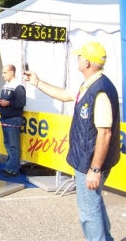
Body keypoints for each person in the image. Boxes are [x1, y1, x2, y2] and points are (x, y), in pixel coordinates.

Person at [24, 41, 120, 241]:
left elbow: (105, 134)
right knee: (94, 205)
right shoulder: (91, 84)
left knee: (88, 211)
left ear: (87, 62)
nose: (77, 58)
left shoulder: (99, 90)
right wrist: (37, 82)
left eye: (80, 56)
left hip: (90, 163)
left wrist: (94, 169)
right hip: (88, 160)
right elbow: (65, 95)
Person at [0, 64, 26, 177]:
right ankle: (9, 166)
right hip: (6, 117)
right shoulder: (7, 85)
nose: (3, 75)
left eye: (5, 73)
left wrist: (8, 103)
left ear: (11, 72)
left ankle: (14, 168)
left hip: (13, 118)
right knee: (8, 143)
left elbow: (21, 103)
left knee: (13, 144)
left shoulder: (18, 86)